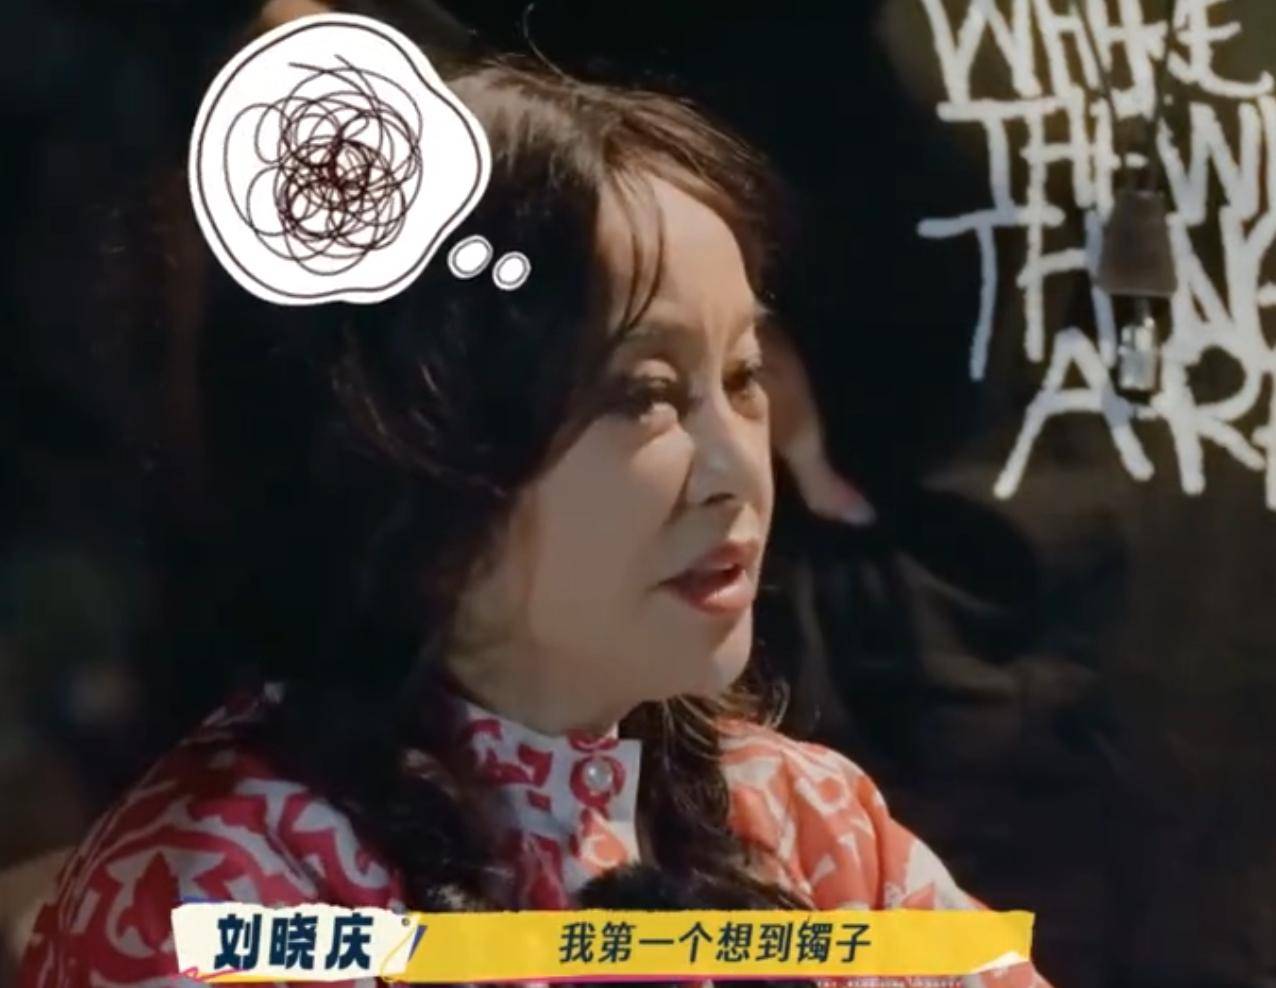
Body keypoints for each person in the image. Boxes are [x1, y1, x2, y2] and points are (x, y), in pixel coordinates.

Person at [18, 53, 1051, 988]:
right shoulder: (221, 888)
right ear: (413, 452)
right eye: (646, 394)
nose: (739, 467)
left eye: (743, 377)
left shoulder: (810, 820)